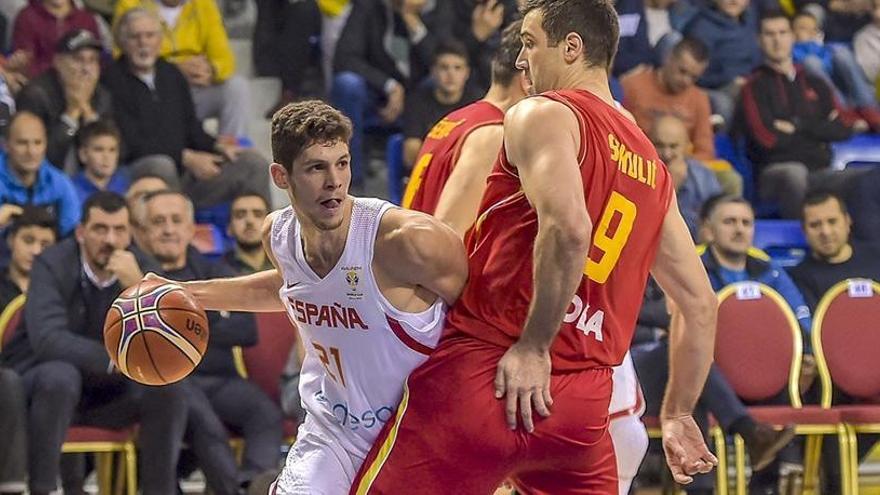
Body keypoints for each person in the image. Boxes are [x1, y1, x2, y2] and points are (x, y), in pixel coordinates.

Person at [352, 0, 719, 492]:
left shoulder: (543, 114)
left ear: (571, 48)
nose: (519, 59)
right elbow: (700, 304)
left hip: (495, 367)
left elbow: (568, 229)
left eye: (528, 43)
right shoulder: (651, 162)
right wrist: (678, 412)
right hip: (584, 407)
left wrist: (534, 346)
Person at [143, 99, 468, 493]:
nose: (334, 181)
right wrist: (181, 293)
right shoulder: (277, 236)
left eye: (342, 163)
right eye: (317, 167)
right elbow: (290, 288)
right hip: (333, 431)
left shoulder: (405, 240)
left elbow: (480, 310)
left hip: (415, 428)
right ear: (281, 176)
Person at [0, 192, 188, 495]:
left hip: (108, 393)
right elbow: (48, 339)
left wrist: (138, 287)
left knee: (170, 389)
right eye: (101, 229)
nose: (110, 240)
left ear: (130, 233)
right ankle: (43, 488)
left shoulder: (141, 267)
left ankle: (159, 490)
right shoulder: (52, 263)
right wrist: (117, 360)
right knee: (60, 375)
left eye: (119, 230)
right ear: (80, 232)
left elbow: (167, 340)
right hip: (45, 387)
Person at [139, 190, 281, 494]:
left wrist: (177, 324)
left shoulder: (215, 272)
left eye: (176, 220)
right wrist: (207, 318)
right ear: (144, 232)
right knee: (204, 421)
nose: (168, 229)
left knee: (263, 411)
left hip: (219, 380)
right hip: (165, 385)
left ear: (191, 229)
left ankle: (253, 483)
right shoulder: (135, 275)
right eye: (158, 221)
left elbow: (246, 330)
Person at [103, 8, 270, 209]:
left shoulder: (171, 73)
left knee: (253, 163)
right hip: (143, 172)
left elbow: (192, 128)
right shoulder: (111, 80)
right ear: (122, 43)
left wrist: (218, 146)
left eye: (149, 35)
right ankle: (174, 225)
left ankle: (264, 236)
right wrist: (185, 157)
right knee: (162, 164)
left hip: (186, 172)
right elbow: (130, 143)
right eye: (135, 37)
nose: (143, 43)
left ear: (160, 40)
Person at [403, 20, 527, 236]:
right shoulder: (492, 135)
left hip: (411, 251)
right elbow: (446, 234)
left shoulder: (458, 118)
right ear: (527, 80)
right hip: (431, 262)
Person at [736, 11, 856, 219]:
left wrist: (799, 126)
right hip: (774, 173)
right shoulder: (753, 86)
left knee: (867, 177)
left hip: (820, 171)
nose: (777, 40)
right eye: (769, 34)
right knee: (795, 173)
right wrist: (819, 134)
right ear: (759, 40)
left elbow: (844, 126)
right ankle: (805, 236)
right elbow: (766, 139)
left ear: (792, 36)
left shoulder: (815, 82)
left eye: (783, 33)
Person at [113, 0, 252, 138]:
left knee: (236, 87)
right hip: (153, 88)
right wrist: (173, 70)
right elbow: (121, 53)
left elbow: (225, 60)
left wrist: (210, 71)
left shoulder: (203, 4)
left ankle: (234, 150)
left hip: (195, 87)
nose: (143, 39)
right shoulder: (130, 3)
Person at [0, 208, 57, 495]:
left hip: (40, 378)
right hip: (4, 377)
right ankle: (11, 487)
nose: (36, 251)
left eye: (45, 245)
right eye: (28, 240)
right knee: (8, 383)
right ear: (11, 241)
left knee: (59, 380)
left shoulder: (57, 291)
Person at [15, 29, 113, 170]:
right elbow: (38, 156)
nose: (86, 69)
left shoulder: (102, 96)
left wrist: (88, 113)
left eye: (92, 60)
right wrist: (71, 114)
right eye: (79, 59)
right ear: (58, 62)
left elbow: (115, 153)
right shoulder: (35, 95)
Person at [621, 37, 715, 161]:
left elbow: (705, 151)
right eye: (682, 71)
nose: (686, 81)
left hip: (682, 168)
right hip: (636, 162)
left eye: (694, 77)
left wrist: (683, 167)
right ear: (669, 59)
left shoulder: (699, 99)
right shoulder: (632, 86)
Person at [789, 190, 880, 309]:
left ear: (848, 221)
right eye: (815, 225)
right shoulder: (798, 279)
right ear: (804, 231)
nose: (825, 232)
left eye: (832, 221)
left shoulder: (877, 257)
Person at [402, 40, 480, 169]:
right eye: (444, 67)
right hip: (427, 175)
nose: (451, 74)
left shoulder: (477, 103)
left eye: (457, 68)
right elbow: (410, 155)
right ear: (433, 72)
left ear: (467, 73)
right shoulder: (416, 102)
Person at [0, 111, 80, 236]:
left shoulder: (60, 183)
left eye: (37, 143)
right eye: (22, 143)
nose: (31, 151)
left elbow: (72, 235)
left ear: (45, 144)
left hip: (50, 253)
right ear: (6, 145)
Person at [649, 114, 721, 239]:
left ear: (687, 146)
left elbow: (715, 227)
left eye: (673, 146)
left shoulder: (704, 177)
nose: (667, 154)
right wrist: (671, 188)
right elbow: (645, 227)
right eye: (659, 145)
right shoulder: (639, 172)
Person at [71, 120, 129, 202]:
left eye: (112, 150)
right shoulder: (71, 190)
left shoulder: (126, 187)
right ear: (83, 155)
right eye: (99, 150)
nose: (107, 157)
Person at [225, 191, 273, 274]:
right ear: (229, 227)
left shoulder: (287, 264)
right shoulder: (217, 271)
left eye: (258, 214)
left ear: (271, 224)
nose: (250, 221)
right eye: (240, 215)